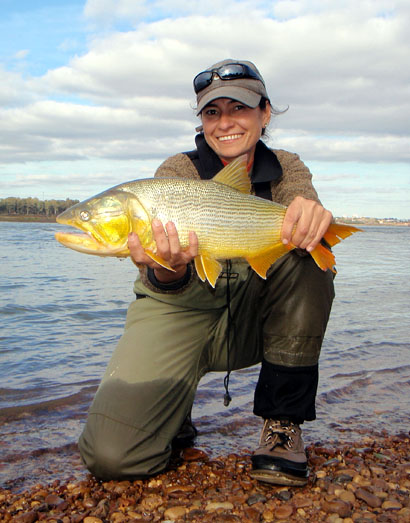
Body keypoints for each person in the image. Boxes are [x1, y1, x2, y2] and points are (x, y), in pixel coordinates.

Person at [78, 59, 335, 487]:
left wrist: (311, 217)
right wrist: (168, 272)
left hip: (255, 323)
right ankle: (172, 412)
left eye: (240, 108)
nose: (225, 123)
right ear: (201, 120)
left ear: (265, 113)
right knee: (111, 458)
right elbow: (157, 282)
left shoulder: (287, 167)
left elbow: (304, 216)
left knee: (304, 252)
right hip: (183, 313)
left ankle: (282, 424)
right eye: (212, 112)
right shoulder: (175, 172)